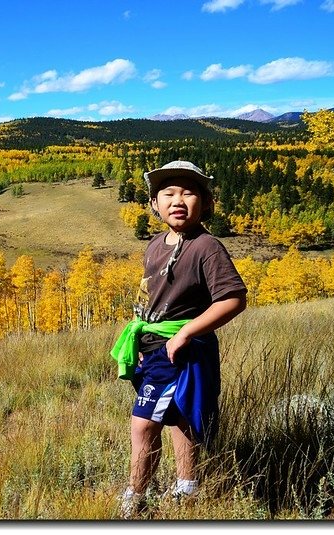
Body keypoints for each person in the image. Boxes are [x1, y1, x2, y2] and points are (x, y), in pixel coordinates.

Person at [109, 160, 247, 518]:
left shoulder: (206, 247)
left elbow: (233, 299)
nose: (178, 200)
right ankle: (188, 487)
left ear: (205, 201)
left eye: (188, 192)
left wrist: (184, 333)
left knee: (143, 424)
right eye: (168, 193)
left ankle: (134, 498)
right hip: (154, 347)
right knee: (178, 416)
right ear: (155, 204)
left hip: (180, 350)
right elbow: (148, 294)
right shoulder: (156, 244)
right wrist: (138, 339)